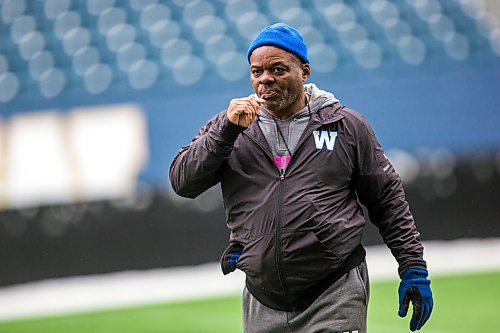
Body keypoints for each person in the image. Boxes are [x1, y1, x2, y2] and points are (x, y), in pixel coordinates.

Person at [169, 23, 433, 333]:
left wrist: (413, 267)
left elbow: (387, 199)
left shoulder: (344, 125)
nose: (265, 78)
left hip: (334, 292)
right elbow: (182, 181)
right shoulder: (231, 127)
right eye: (257, 72)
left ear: (304, 71)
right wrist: (226, 131)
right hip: (262, 298)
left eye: (278, 69)